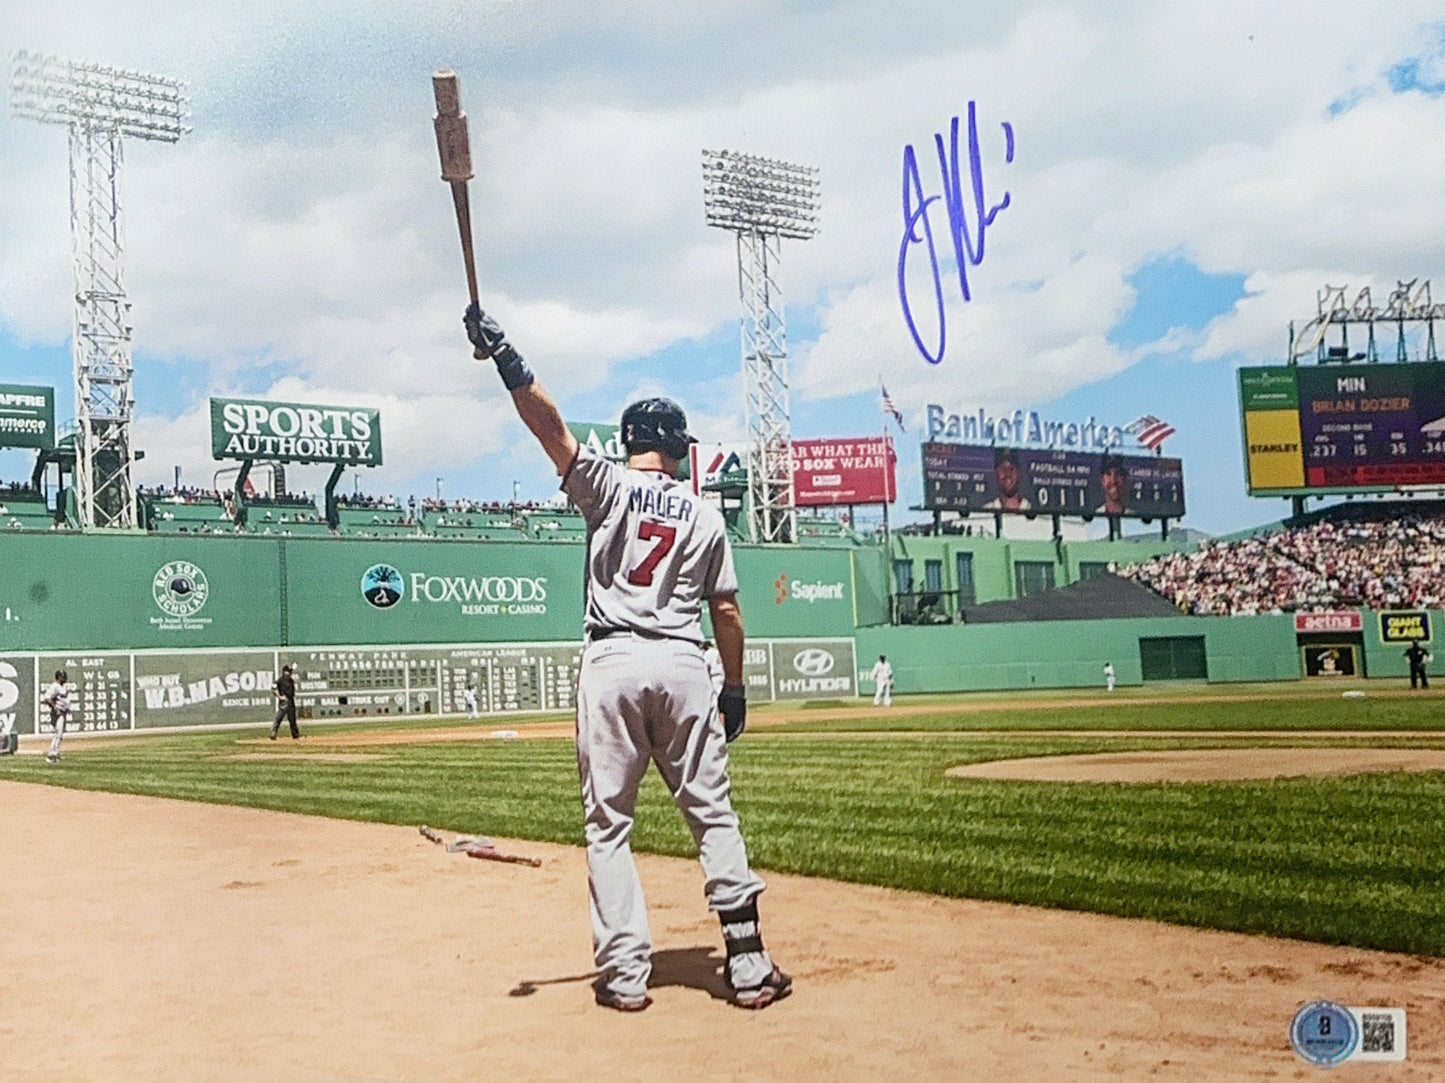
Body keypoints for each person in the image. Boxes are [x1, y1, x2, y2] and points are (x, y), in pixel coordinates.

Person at [464, 302, 790, 1013]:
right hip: (682, 661)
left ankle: (623, 974)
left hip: (611, 663)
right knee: (712, 813)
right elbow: (727, 611)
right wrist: (733, 688)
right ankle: (746, 959)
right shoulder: (705, 514)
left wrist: (508, 361)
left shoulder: (606, 483)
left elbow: (548, 430)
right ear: (676, 445)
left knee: (608, 824)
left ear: (629, 439)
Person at [44, 669, 70, 764]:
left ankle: (56, 753)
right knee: (58, 734)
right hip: (57, 713)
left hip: (62, 713)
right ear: (59, 677)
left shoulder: (60, 687)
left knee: (59, 734)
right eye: (63, 676)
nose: (65, 678)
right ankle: (51, 755)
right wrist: (55, 708)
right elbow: (47, 698)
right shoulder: (55, 686)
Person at [271, 665, 300, 740]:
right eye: (288, 671)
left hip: (290, 701)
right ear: (285, 672)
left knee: (292, 719)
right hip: (284, 702)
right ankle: (273, 734)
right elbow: (273, 689)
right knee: (278, 718)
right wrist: (280, 697)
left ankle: (295, 735)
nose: (290, 672)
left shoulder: (290, 680)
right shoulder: (280, 680)